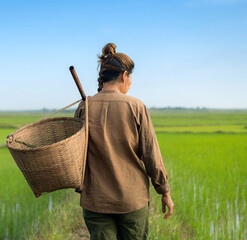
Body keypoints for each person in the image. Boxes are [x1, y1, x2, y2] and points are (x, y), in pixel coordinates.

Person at [74, 43, 174, 240]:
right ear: (123, 76)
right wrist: (164, 190)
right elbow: (151, 154)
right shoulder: (136, 106)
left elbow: (74, 153)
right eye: (130, 78)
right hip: (132, 200)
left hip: (96, 201)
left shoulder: (84, 107)